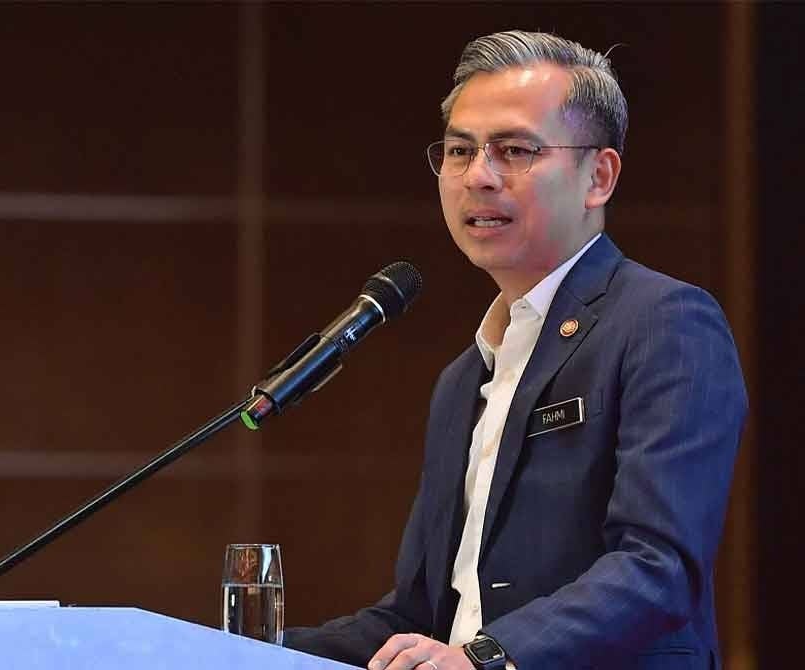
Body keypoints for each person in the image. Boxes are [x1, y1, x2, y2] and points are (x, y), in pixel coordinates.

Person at [284, 30, 747, 670]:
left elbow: (657, 569)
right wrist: (229, 650)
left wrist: (483, 657)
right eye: (458, 150)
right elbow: (420, 616)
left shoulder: (662, 323)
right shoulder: (462, 379)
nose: (477, 176)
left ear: (599, 176)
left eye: (515, 150)